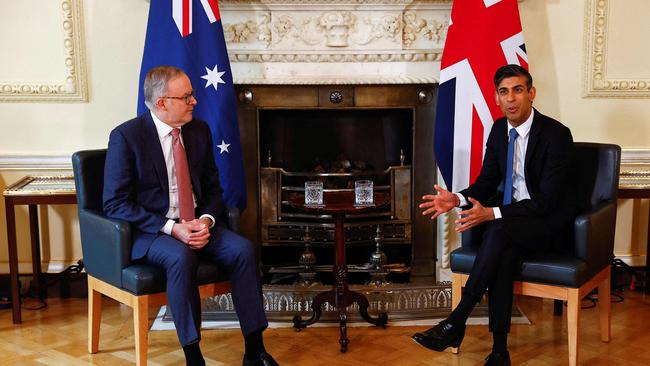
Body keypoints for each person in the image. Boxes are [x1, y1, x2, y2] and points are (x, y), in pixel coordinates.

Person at [103, 66, 278, 366]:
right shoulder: (127, 137)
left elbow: (213, 188)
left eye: (192, 95)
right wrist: (173, 228)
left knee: (243, 250)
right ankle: (193, 356)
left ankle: (254, 350)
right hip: (154, 232)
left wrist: (206, 220)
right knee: (180, 257)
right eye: (186, 97)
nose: (194, 102)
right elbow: (115, 203)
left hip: (198, 223)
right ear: (161, 103)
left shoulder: (198, 131)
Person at [412, 64, 575, 366]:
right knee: (502, 249)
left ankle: (457, 321)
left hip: (549, 225)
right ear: (497, 99)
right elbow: (486, 183)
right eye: (504, 92)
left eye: (518, 90)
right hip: (514, 225)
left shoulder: (556, 135)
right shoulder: (500, 130)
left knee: (498, 231)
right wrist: (457, 198)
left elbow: (546, 203)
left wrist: (492, 213)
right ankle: (499, 352)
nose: (511, 98)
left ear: (531, 94)